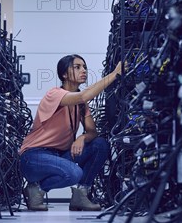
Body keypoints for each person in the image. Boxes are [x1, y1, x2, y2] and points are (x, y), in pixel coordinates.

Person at [19, 54, 124, 211]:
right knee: (74, 173)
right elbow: (83, 96)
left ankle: (81, 195)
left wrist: (82, 137)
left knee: (100, 145)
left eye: (84, 67)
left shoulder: (81, 105)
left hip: (59, 155)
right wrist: (115, 74)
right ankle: (36, 190)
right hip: (34, 157)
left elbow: (92, 132)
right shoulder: (53, 94)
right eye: (77, 67)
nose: (84, 70)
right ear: (64, 74)